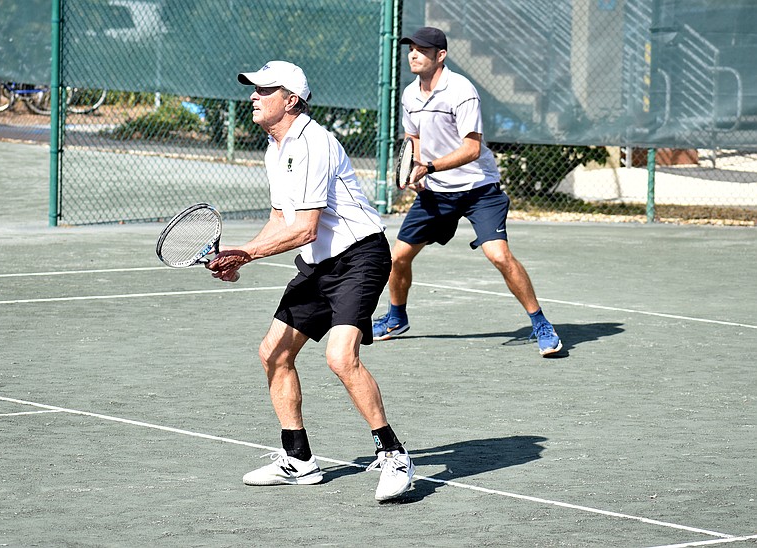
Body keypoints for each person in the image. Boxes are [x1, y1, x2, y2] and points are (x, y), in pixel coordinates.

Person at [207, 60, 415, 502]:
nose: (253, 96)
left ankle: (394, 454)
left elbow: (304, 228)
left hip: (360, 256)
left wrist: (247, 252)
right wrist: (242, 255)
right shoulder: (274, 148)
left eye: (265, 90)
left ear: (291, 99)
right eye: (254, 89)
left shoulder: (312, 142)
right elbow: (279, 220)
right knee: (273, 353)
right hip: (319, 264)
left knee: (341, 357)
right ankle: (299, 461)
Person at [372, 27, 563, 357]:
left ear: (440, 56)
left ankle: (540, 323)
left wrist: (429, 168)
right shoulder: (409, 95)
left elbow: (472, 149)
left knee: (498, 255)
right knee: (397, 257)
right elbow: (413, 139)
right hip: (436, 193)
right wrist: (414, 168)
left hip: (478, 189)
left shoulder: (461, 91)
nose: (413, 55)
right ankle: (395, 318)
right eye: (411, 49)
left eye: (422, 50)